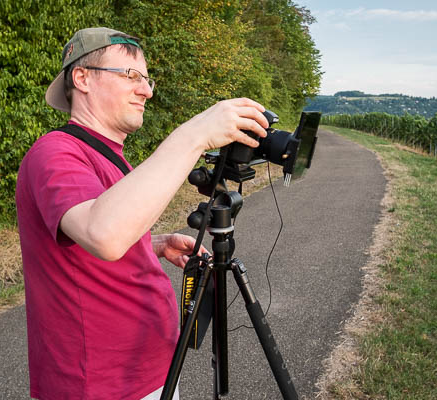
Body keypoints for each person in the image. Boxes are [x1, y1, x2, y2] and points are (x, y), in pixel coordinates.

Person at [15, 27, 268, 400]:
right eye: (131, 76)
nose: (147, 90)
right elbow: (102, 233)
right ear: (82, 78)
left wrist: (152, 243)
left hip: (147, 371)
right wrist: (194, 134)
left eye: (147, 79)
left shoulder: (107, 155)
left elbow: (89, 236)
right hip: (99, 384)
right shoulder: (55, 152)